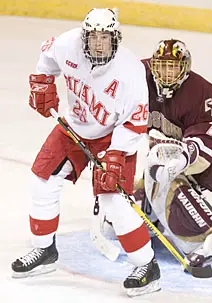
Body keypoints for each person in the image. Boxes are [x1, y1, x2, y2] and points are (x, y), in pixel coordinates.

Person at [11, 8, 161, 297]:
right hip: (75, 128)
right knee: (42, 180)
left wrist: (117, 155)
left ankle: (147, 265)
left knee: (113, 202)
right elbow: (47, 58)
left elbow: (135, 122)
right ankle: (44, 250)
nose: (99, 43)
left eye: (105, 38)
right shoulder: (68, 45)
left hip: (114, 137)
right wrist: (42, 82)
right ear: (84, 38)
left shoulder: (130, 71)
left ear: (115, 39)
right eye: (93, 37)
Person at [134, 39, 212, 272]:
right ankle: (153, 217)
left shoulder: (200, 91)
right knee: (147, 186)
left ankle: (211, 241)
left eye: (173, 67)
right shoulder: (139, 76)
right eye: (162, 66)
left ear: (185, 69)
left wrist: (181, 160)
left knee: (165, 173)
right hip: (176, 145)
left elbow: (206, 140)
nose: (166, 73)